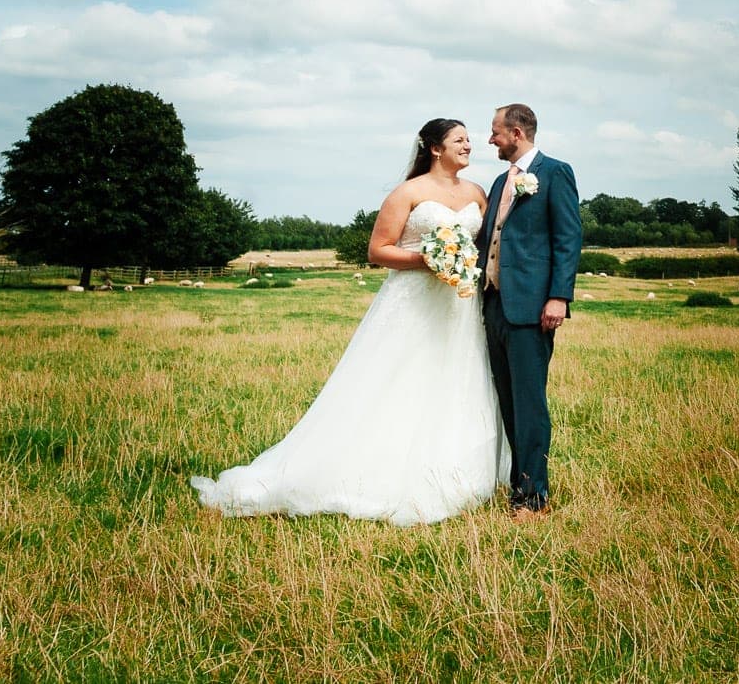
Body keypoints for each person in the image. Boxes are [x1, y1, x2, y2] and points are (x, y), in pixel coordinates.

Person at [190, 118, 508, 524]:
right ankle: (375, 473)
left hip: (459, 308)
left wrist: (464, 267)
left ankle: (456, 475)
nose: (469, 145)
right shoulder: (408, 193)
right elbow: (378, 250)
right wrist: (426, 260)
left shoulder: (477, 194)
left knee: (456, 379)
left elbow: (485, 248)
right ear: (434, 148)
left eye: (468, 140)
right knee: (398, 382)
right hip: (413, 302)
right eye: (459, 140)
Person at [475, 103, 581, 519]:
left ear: (516, 133)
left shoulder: (555, 173)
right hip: (494, 303)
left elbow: (567, 239)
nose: (491, 139)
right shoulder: (500, 181)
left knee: (529, 402)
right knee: (507, 401)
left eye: (495, 132)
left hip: (533, 308)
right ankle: (518, 485)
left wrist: (559, 296)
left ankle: (533, 497)